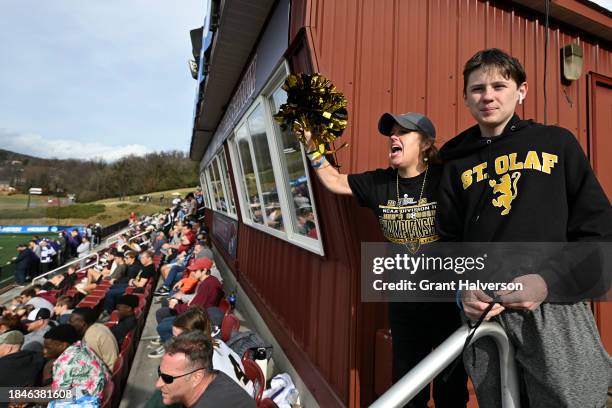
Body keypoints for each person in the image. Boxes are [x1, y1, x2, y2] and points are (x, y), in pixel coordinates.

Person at [436, 48, 612, 407]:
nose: (488, 96)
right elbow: (447, 242)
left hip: (552, 304)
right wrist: (462, 292)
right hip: (486, 309)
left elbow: (599, 230)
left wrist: (549, 282)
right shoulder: (454, 163)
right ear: (466, 98)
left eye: (500, 85)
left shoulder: (555, 142)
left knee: (574, 399)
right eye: (477, 88)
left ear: (522, 91)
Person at [304, 112, 468, 406]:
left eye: (403, 132)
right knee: (408, 384)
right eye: (392, 133)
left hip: (447, 304)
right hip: (405, 306)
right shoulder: (380, 184)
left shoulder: (446, 179)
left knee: (450, 387)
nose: (394, 137)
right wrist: (312, 147)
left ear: (425, 143)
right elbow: (335, 181)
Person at [155, 331, 256, 408]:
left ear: (196, 377)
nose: (158, 384)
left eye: (167, 378)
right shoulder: (214, 376)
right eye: (160, 372)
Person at [44, 324, 110, 399]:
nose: (44, 351)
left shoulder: (65, 363)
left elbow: (58, 394)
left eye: (48, 348)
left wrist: (29, 395)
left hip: (92, 401)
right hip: (102, 392)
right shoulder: (81, 346)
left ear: (63, 345)